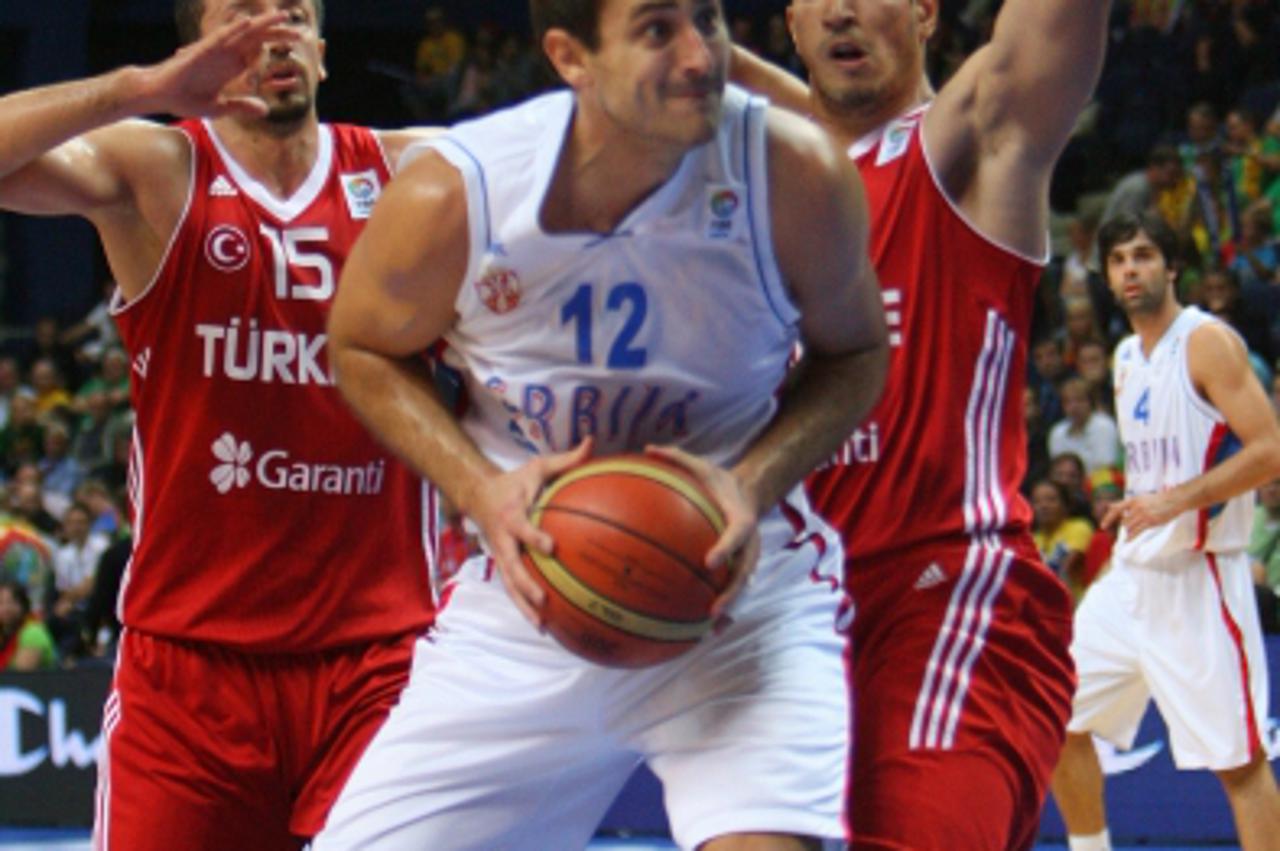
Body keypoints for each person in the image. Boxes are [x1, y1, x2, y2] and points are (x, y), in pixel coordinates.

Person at [315, 0, 887, 848]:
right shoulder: (460, 188)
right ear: (570, 58)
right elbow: (360, 345)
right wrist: (482, 488)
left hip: (735, 597)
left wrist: (749, 480)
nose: (702, 56)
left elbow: (857, 354)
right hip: (533, 590)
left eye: (711, 19)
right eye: (658, 30)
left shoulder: (794, 171)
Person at [0, 2, 440, 847]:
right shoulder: (157, 169)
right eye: (242, 19)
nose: (274, 34)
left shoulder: (412, 177)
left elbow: (579, 170)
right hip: (189, 671)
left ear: (322, 49)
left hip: (379, 662)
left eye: (296, 16)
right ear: (197, 51)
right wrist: (140, 90)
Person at [730, 0, 1109, 845]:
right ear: (791, 23)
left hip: (946, 590)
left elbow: (1047, 34)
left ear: (925, 12)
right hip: (785, 615)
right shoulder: (762, 191)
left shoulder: (967, 143)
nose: (840, 10)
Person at [1050, 211, 1280, 851]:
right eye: (1120, 258)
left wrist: (1177, 500)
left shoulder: (1207, 342)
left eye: (1145, 255)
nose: (1131, 269)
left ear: (1172, 265)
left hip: (1200, 579)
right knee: (1054, 716)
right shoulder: (1125, 356)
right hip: (1132, 578)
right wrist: (1136, 503)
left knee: (1239, 766)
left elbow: (1269, 450)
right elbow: (1160, 465)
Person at [0, 578, 57, 671]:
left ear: (23, 605)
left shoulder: (33, 632)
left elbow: (20, 677)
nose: (5, 608)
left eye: (11, 602)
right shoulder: (3, 635)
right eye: (0, 603)